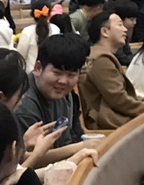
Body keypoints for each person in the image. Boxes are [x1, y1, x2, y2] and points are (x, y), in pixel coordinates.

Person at [15, 34, 99, 166]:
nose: (63, 81)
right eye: (57, 73)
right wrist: (79, 148)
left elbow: (69, 138)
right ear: (38, 68)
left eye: (71, 74)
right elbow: (28, 160)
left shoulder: (65, 94)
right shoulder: (23, 102)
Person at [80, 11, 144, 129]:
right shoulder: (101, 59)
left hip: (114, 115)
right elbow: (117, 98)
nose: (125, 29)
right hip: (107, 121)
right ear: (105, 32)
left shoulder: (99, 54)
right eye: (120, 25)